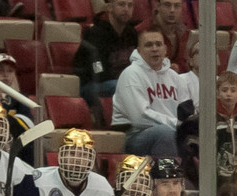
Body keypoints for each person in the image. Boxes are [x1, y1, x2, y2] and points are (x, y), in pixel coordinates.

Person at [111, 28, 184, 156]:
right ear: (139, 51)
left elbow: (185, 111)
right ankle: (167, 175)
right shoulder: (131, 74)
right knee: (165, 133)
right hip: (134, 135)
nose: (154, 49)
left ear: (165, 49)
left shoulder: (174, 77)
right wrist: (176, 125)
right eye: (148, 45)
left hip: (171, 130)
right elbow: (139, 118)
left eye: (158, 44)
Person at [74, 0, 138, 118]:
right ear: (109, 7)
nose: (126, 9)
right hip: (91, 86)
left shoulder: (132, 34)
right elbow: (97, 72)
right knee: (120, 86)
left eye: (130, 5)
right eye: (121, 4)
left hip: (121, 83)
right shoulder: (95, 34)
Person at [136, 0, 190, 73]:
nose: (172, 10)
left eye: (177, 6)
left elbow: (185, 61)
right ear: (158, 6)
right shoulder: (143, 30)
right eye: (167, 5)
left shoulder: (184, 31)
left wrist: (178, 67)